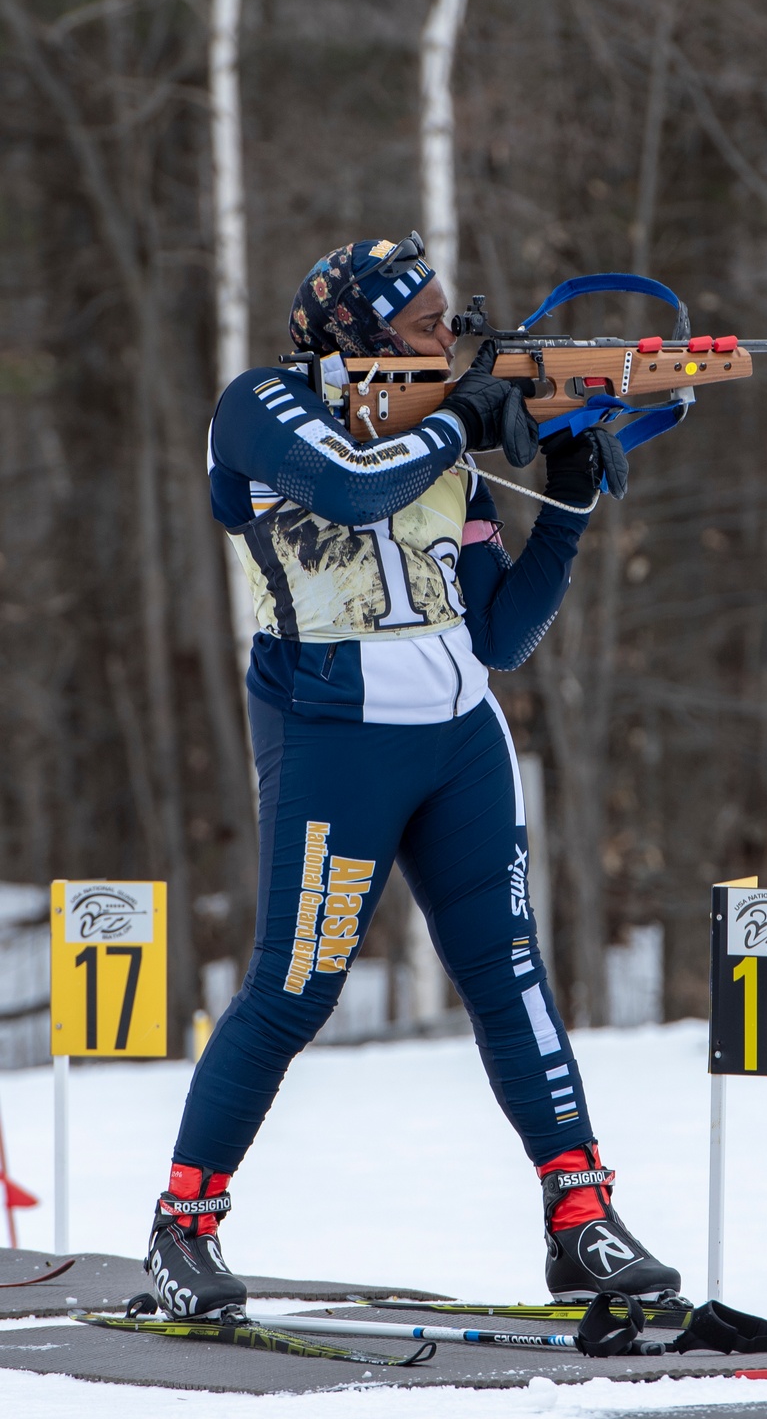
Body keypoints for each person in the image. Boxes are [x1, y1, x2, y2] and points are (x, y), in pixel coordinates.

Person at [145, 232, 681, 1320]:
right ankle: (181, 1228)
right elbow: (345, 492)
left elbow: (501, 630)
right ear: (354, 334)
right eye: (427, 325)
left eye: (450, 322)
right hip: (334, 734)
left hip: (458, 738)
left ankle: (579, 1216)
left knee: (510, 972)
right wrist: (465, 420)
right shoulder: (260, 406)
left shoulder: (438, 442)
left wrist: (568, 501)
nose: (450, 341)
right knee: (293, 988)